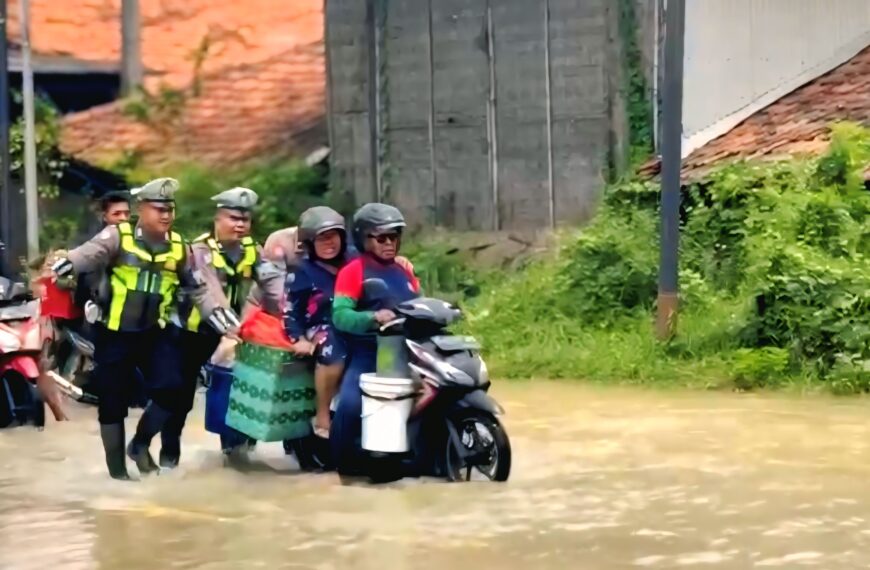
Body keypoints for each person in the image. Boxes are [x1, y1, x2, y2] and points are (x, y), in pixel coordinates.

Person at [51, 178, 238, 480]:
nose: (166, 216)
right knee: (112, 403)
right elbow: (90, 252)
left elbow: (198, 287)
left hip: (154, 333)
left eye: (170, 210)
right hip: (113, 333)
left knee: (173, 390)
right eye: (159, 209)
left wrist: (216, 313)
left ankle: (139, 444)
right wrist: (69, 262)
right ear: (142, 209)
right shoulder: (118, 236)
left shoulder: (180, 248)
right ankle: (117, 474)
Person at [160, 187, 285, 467]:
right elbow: (210, 295)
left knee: (239, 392)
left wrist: (291, 316)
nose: (240, 225)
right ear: (217, 219)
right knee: (180, 400)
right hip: (191, 335)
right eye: (233, 218)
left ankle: (236, 455)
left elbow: (274, 288)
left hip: (231, 334)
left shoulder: (253, 250)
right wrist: (231, 330)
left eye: (245, 220)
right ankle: (169, 458)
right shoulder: (199, 251)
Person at [329, 203, 420, 475]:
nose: (390, 243)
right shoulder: (353, 271)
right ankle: (342, 463)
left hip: (409, 350)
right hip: (370, 352)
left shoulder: (403, 270)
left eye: (394, 237)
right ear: (363, 238)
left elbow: (420, 303)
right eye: (382, 238)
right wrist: (372, 317)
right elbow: (341, 316)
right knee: (351, 403)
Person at [284, 207, 353, 439]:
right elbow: (290, 310)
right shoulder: (301, 271)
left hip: (358, 322)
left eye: (333, 236)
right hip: (322, 326)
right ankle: (322, 415)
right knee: (333, 343)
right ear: (309, 242)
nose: (328, 243)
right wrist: (298, 338)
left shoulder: (356, 261)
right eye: (321, 238)